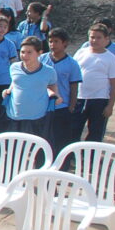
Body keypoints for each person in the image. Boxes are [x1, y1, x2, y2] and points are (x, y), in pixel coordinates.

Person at [2, 36, 61, 138]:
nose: (25, 55)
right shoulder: (14, 67)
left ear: (39, 53)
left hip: (37, 118)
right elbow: (15, 83)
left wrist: (56, 96)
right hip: (14, 116)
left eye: (29, 52)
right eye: (22, 52)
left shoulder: (49, 71)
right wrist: (7, 91)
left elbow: (52, 86)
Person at [73, 24, 115, 143]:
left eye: (98, 37)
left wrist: (110, 106)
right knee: (73, 130)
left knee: (95, 133)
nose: (94, 40)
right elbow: (72, 75)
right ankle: (72, 157)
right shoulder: (80, 53)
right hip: (79, 98)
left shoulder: (110, 58)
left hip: (99, 100)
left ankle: (91, 158)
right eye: (92, 37)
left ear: (106, 39)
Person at [41, 28, 83, 156]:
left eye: (56, 41)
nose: (52, 45)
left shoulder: (72, 64)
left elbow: (74, 86)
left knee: (61, 138)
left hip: (62, 107)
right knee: (43, 138)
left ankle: (62, 165)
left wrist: (71, 106)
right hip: (43, 106)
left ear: (65, 43)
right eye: (50, 41)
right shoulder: (42, 59)